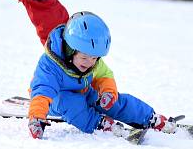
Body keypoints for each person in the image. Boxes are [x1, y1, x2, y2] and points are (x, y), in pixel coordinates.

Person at [27, 11, 178, 139]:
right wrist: (37, 117)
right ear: (70, 50)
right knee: (71, 103)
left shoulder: (92, 62)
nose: (90, 63)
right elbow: (42, 91)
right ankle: (98, 124)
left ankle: (149, 118)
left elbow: (104, 75)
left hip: (84, 92)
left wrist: (108, 93)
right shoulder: (50, 66)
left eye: (94, 58)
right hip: (55, 100)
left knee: (114, 101)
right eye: (85, 57)